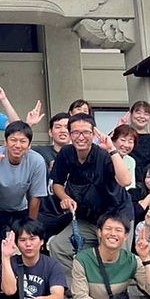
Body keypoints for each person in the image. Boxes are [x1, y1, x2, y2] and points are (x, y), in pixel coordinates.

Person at [47, 114, 133, 277]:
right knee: (58, 247)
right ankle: (78, 290)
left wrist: (112, 149)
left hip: (116, 216)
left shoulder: (104, 154)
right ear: (70, 134)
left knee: (116, 259)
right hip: (87, 218)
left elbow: (125, 181)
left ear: (93, 133)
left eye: (86, 132)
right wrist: (65, 197)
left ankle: (117, 297)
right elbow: (57, 183)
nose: (81, 137)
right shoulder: (66, 153)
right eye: (76, 133)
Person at [0, 120, 47, 254]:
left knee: (23, 246)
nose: (17, 145)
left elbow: (35, 198)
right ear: (5, 142)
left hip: (18, 208)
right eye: (13, 140)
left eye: (23, 141)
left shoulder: (37, 161)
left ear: (29, 145)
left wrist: (30, 227)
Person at [120, 101, 150, 196]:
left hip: (144, 186)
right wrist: (119, 127)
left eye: (146, 114)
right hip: (122, 183)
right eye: (138, 112)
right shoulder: (120, 135)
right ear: (131, 114)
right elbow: (108, 148)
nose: (142, 116)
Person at [109, 124, 138, 190]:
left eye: (130, 142)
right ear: (113, 141)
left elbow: (130, 186)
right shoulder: (103, 157)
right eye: (123, 140)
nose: (126, 145)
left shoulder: (131, 161)